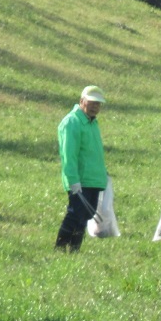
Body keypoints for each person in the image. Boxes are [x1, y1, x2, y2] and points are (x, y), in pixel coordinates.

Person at [55, 85, 109, 253]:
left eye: (98, 104)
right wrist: (73, 181)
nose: (95, 107)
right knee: (75, 215)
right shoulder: (72, 122)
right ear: (81, 101)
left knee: (85, 217)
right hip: (80, 180)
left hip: (93, 179)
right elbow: (68, 155)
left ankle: (74, 249)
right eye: (92, 102)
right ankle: (60, 248)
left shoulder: (92, 123)